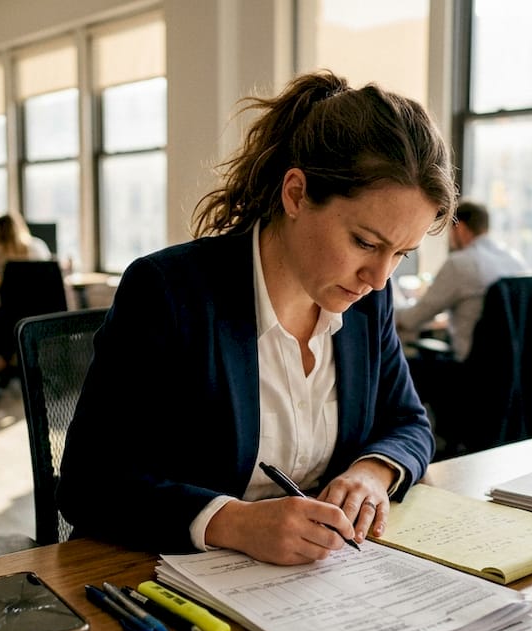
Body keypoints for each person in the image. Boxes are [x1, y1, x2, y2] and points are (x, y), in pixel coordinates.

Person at [59, 70, 453, 565]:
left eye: (402, 254)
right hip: (164, 581)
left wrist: (373, 472)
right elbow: (88, 483)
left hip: (315, 590)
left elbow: (410, 422)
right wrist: (234, 522)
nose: (378, 276)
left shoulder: (368, 302)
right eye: (365, 243)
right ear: (295, 194)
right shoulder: (169, 292)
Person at [395, 201, 527, 362]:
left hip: (468, 369)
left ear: (461, 228)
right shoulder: (515, 260)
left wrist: (391, 309)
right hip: (509, 367)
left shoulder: (460, 263)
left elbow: (412, 319)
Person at [0, 212, 53, 373]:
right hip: (42, 313)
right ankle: (14, 357)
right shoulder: (38, 246)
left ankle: (0, 358)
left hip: (8, 315)